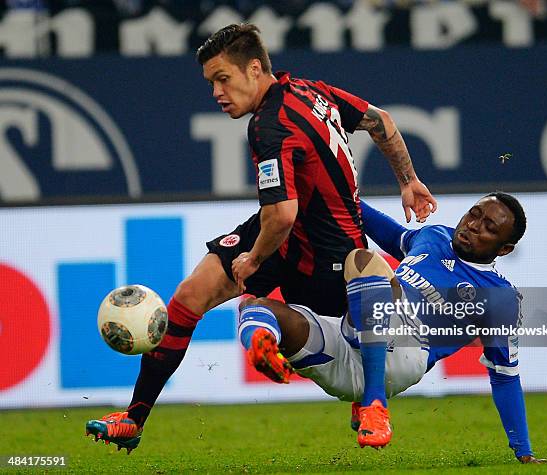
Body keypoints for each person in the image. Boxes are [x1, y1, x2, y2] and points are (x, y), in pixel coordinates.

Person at [85, 23, 436, 452]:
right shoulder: (312, 91)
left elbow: (282, 214)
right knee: (189, 297)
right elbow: (380, 122)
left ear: (254, 69)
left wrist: (252, 260)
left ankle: (372, 400)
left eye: (223, 79)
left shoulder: (269, 126)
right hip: (286, 230)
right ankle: (133, 419)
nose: (216, 92)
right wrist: (409, 179)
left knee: (301, 304)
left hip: (329, 250)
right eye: (211, 82)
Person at [235, 192, 547, 461]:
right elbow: (379, 225)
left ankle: (374, 402)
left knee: (362, 259)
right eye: (474, 214)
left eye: (489, 228)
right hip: (349, 347)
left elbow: (504, 376)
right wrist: (330, 189)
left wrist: (524, 450)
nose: (473, 226)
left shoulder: (500, 296)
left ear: (503, 249)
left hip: (404, 356)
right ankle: (262, 347)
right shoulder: (435, 236)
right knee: (257, 306)